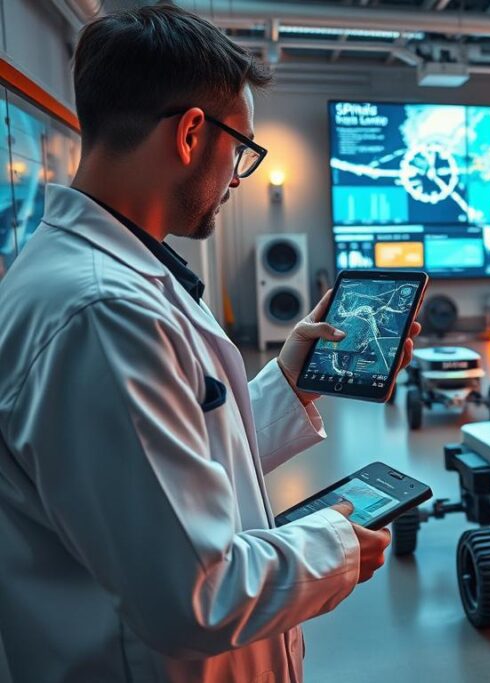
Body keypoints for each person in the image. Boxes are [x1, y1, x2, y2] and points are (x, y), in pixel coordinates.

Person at [0, 6, 419, 682]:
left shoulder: (112, 279)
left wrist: (289, 379)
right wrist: (338, 539)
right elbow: (198, 596)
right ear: (193, 134)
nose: (237, 178)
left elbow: (177, 453)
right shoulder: (103, 314)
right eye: (243, 152)